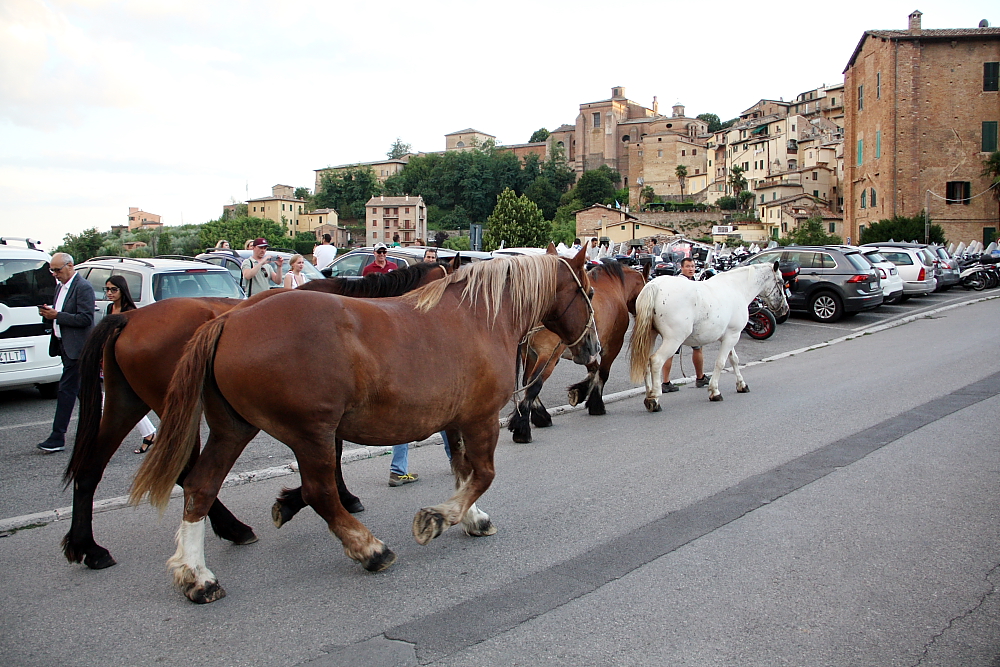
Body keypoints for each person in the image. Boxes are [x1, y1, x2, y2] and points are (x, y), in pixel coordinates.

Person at [36, 253, 95, 453]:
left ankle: (57, 437)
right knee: (84, 393)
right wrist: (48, 315)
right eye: (52, 270)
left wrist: (57, 315)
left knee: (66, 391)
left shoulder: (83, 287)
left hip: (78, 349)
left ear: (70, 266)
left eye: (57, 270)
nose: (54, 274)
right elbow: (61, 314)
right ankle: (93, 431)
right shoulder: (60, 287)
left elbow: (86, 319)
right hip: (63, 346)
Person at [103, 276, 157, 453]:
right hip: (108, 359)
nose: (109, 293)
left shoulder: (130, 311)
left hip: (125, 359)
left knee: (126, 399)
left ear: (122, 290)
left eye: (113, 290)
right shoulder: (110, 309)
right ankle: (148, 433)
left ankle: (149, 433)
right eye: (107, 289)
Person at [661, 257, 711, 394]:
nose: (691, 269)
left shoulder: (693, 282)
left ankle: (700, 377)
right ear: (681, 268)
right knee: (671, 351)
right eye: (688, 266)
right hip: (681, 322)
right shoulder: (681, 283)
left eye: (693, 266)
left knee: (696, 349)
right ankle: (666, 382)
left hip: (688, 321)